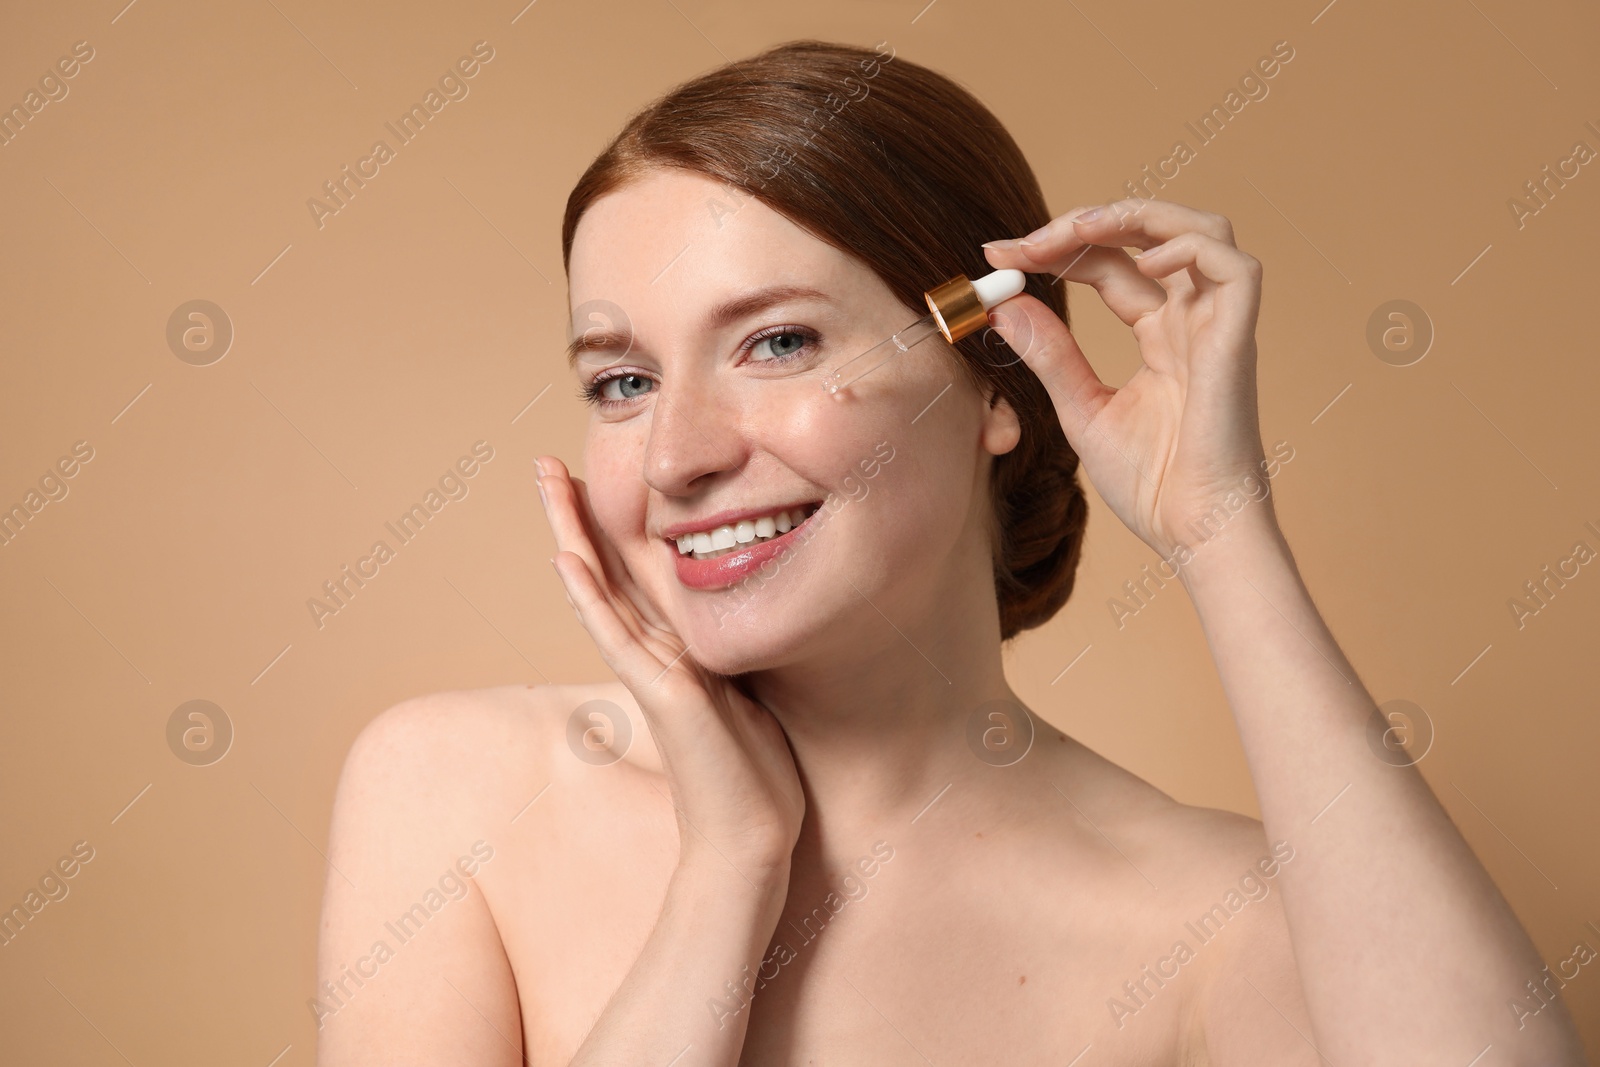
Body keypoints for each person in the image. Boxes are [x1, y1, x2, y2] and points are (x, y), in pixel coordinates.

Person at [314, 40, 1588, 1065]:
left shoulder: (1207, 915)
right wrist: (726, 873)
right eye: (623, 378)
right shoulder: (455, 794)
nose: (672, 456)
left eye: (777, 343)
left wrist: (1220, 527)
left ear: (993, 372)